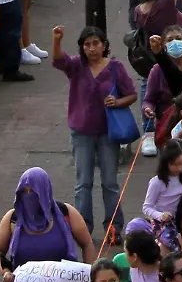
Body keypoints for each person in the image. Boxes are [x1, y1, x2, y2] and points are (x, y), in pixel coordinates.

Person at [50, 24, 141, 232]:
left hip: (108, 133)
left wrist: (117, 102)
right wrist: (57, 39)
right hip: (82, 133)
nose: (91, 48)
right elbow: (58, 60)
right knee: (83, 184)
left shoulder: (115, 67)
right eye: (86, 45)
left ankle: (114, 226)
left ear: (104, 45)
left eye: (95, 44)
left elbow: (132, 94)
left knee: (110, 182)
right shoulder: (76, 66)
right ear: (82, 48)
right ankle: (83, 227)